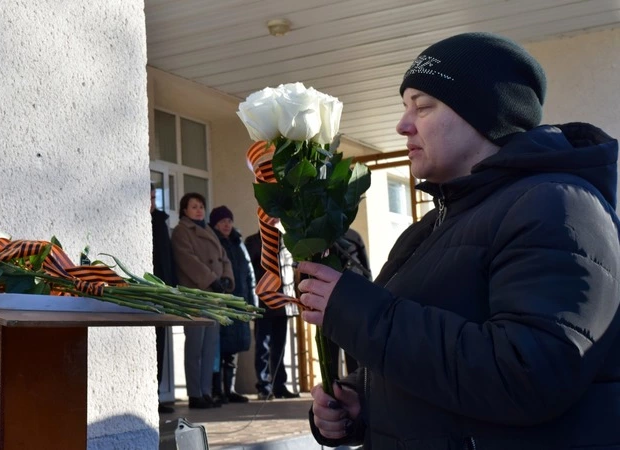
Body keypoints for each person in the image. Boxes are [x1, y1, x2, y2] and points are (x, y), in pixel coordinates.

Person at [297, 32, 620, 449]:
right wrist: (360, 403)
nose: (403, 125)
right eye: (404, 107)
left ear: (486, 116)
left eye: (423, 106)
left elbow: (527, 376)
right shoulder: (429, 228)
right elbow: (435, 376)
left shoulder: (556, 206)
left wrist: (360, 313)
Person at [171, 192, 235, 409]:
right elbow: (187, 260)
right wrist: (212, 279)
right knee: (195, 346)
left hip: (214, 296)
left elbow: (224, 258)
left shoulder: (208, 230)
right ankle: (195, 393)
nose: (199, 210)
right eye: (194, 206)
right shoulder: (181, 231)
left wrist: (226, 279)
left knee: (210, 347)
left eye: (201, 206)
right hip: (195, 295)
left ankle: (206, 392)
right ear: (184, 210)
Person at [245, 232, 300, 400]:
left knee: (280, 347)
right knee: (263, 347)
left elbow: (292, 271)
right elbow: (249, 273)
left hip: (284, 303)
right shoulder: (253, 241)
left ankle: (279, 386)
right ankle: (264, 386)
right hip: (264, 303)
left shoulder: (287, 240)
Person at [209, 206, 255, 404]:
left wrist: (251, 302)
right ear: (215, 224)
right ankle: (216, 390)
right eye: (222, 221)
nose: (226, 225)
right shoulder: (213, 242)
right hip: (222, 301)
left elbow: (249, 274)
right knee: (219, 348)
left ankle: (230, 389)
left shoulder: (238, 243)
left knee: (234, 348)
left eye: (229, 221)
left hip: (239, 300)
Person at [325, 228, 371, 379]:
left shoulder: (353, 236)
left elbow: (365, 269)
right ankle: (332, 385)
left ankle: (354, 383)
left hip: (353, 298)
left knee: (352, 347)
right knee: (330, 348)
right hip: (328, 300)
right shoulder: (320, 235)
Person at [150, 185, 177, 414]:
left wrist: (171, 289)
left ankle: (156, 396)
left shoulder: (160, 221)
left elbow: (167, 258)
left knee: (159, 347)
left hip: (161, 294)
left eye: (153, 197)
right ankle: (148, 398)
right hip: (143, 294)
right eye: (147, 197)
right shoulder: (140, 221)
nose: (151, 202)